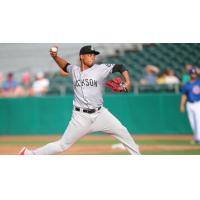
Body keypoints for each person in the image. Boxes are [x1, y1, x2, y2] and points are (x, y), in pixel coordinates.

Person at [19, 45, 140, 155]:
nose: (92, 56)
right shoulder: (74, 70)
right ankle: (29, 154)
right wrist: (55, 57)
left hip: (100, 114)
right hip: (80, 117)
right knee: (62, 145)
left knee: (123, 132)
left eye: (94, 54)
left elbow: (120, 67)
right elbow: (65, 65)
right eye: (89, 54)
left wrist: (127, 81)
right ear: (82, 56)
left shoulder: (100, 68)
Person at [180, 67, 200, 144]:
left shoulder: (199, 82)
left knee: (198, 121)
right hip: (189, 104)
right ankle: (196, 137)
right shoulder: (187, 84)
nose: (193, 74)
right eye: (192, 73)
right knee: (192, 122)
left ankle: (198, 138)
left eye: (195, 73)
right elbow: (184, 95)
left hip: (198, 103)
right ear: (190, 74)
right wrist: (182, 105)